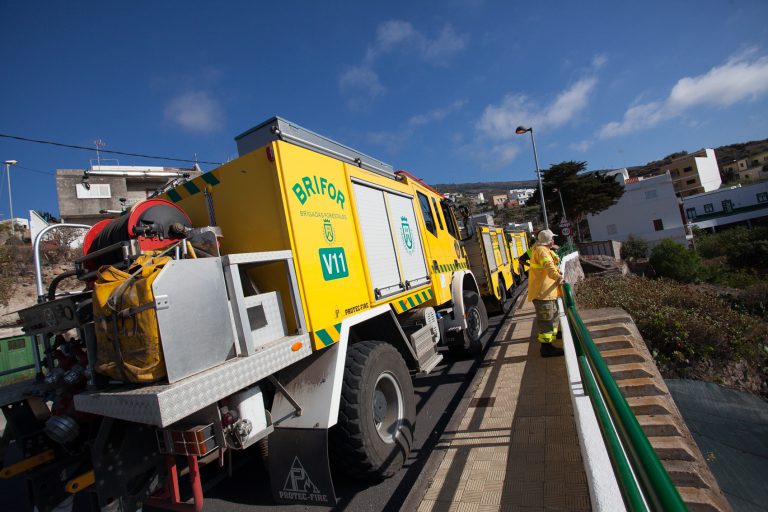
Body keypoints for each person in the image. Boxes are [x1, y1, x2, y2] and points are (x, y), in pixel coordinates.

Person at [527, 229, 565, 357]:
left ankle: (552, 337)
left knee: (553, 316)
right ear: (550, 241)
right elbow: (549, 266)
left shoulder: (539, 249)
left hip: (546, 291)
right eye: (552, 238)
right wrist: (558, 277)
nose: (554, 240)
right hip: (542, 293)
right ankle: (546, 348)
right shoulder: (542, 251)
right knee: (546, 319)